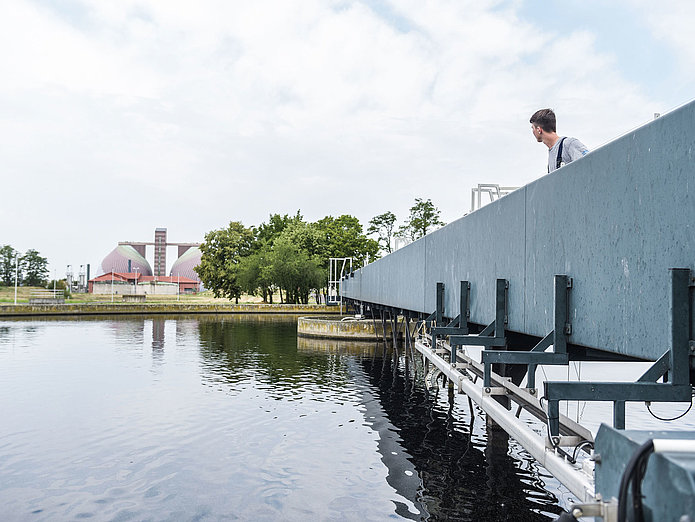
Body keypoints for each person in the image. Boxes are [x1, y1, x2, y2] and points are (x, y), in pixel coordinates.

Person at [530, 109, 589, 173]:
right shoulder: (552, 154)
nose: (532, 132)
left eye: (533, 128)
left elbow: (589, 164)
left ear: (539, 130)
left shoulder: (569, 144)